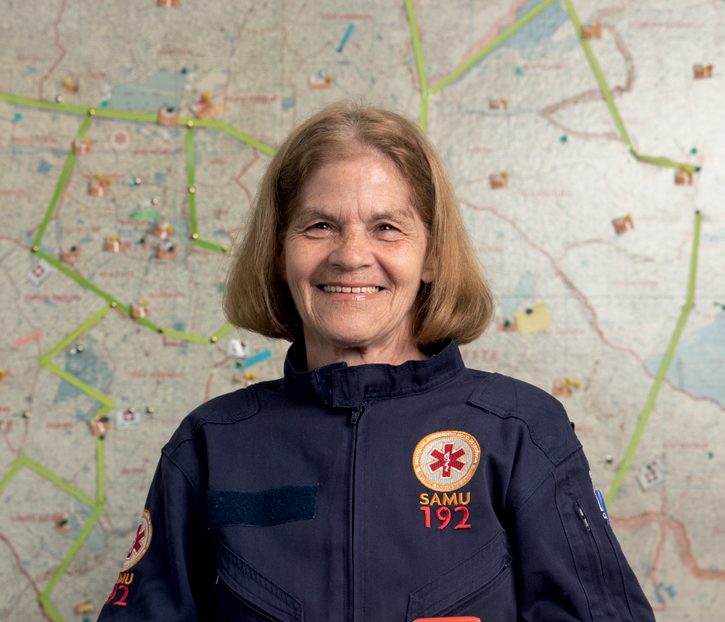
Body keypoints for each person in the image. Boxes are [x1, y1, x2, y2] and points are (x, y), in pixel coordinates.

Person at [97, 102, 655, 621]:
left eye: (386, 227)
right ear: (278, 251)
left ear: (432, 256)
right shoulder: (209, 445)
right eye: (320, 226)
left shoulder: (521, 432)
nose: (351, 255)